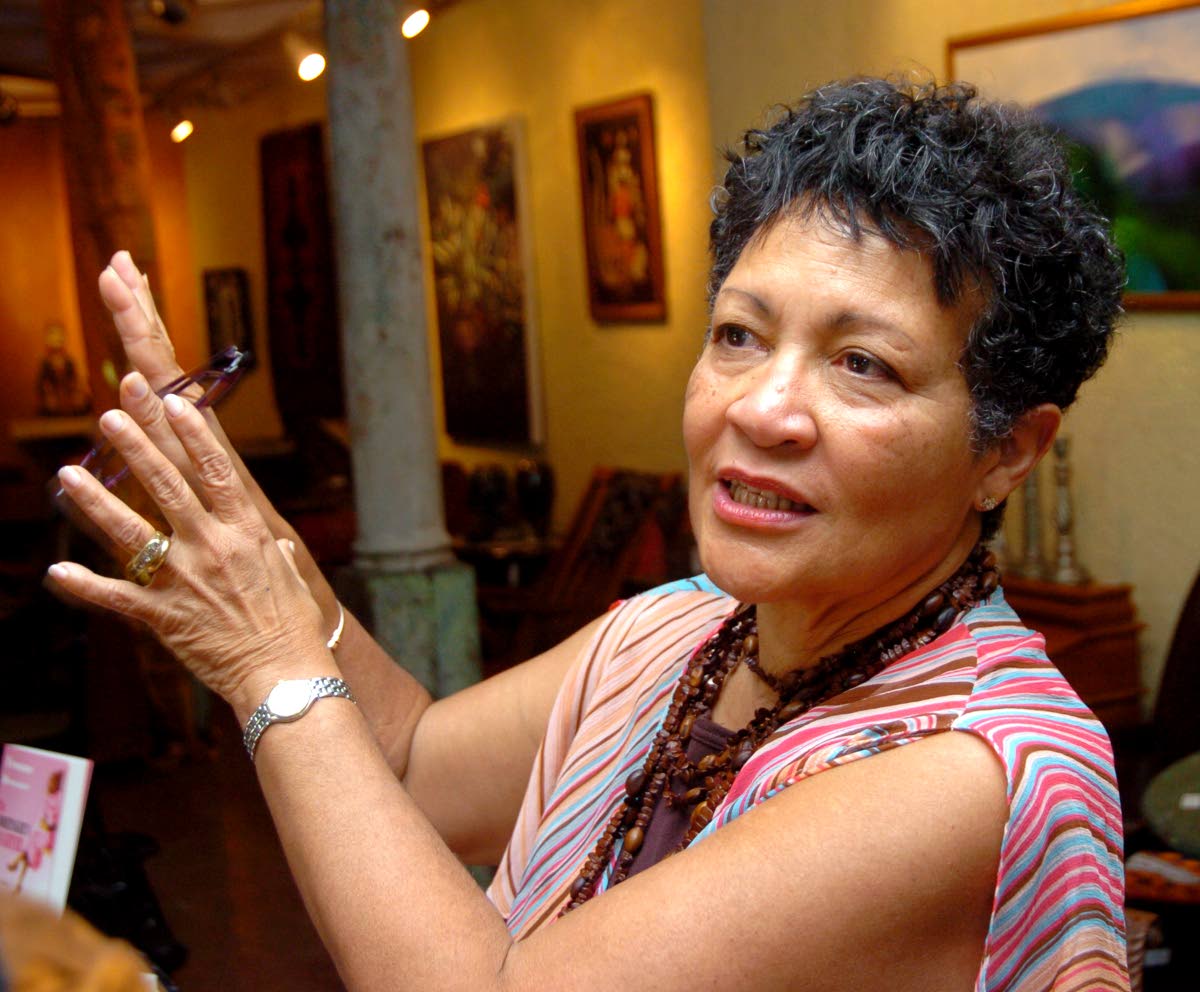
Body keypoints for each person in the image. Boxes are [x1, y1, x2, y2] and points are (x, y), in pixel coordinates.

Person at [48, 77, 1129, 991]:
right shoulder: (680, 633)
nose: (761, 408)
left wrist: (270, 661)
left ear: (1008, 449)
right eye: (740, 334)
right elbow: (414, 767)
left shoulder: (972, 770)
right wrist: (238, 515)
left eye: (864, 364)